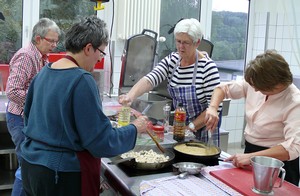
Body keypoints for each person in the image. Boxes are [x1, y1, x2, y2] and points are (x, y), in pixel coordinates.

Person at [20, 15, 148, 196]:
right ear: (89, 48)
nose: (99, 60)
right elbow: (100, 141)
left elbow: (28, 119)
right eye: (101, 53)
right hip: (61, 176)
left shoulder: (43, 74)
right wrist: (134, 129)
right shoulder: (81, 80)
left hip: (32, 168)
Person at [119, 18, 222, 146]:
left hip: (203, 134)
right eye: (178, 41)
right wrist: (130, 96)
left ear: (197, 43)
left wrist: (189, 127)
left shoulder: (208, 68)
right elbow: (150, 79)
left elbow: (213, 109)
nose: (180, 47)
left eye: (186, 43)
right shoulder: (173, 60)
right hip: (180, 129)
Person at [205, 50, 300, 186]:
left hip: (277, 162)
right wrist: (213, 108)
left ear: (277, 85)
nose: (255, 91)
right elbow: (222, 89)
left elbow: (293, 148)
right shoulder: (256, 81)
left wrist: (251, 157)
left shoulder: (295, 102)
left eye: (260, 89)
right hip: (250, 151)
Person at [5, 18, 61, 196]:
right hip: (19, 120)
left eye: (56, 41)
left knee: (29, 167)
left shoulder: (42, 57)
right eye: (51, 41)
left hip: (29, 119)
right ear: (38, 38)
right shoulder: (26, 56)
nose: (55, 45)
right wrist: (39, 103)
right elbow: (12, 91)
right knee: (27, 168)